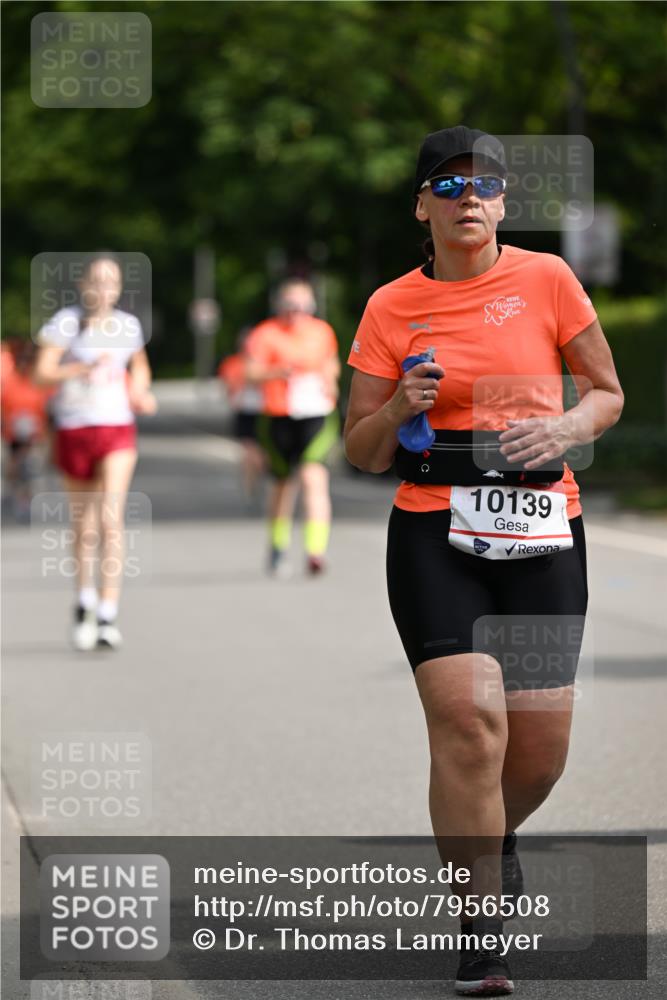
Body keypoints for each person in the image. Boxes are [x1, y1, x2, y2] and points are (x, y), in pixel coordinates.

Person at [344, 126, 624, 996]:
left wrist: (570, 427)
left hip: (541, 525)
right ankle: (479, 925)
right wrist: (396, 409)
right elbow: (358, 448)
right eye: (450, 184)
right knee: (469, 727)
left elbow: (606, 393)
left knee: (536, 754)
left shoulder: (546, 279)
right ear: (421, 205)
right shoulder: (390, 305)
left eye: (487, 186)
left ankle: (490, 839)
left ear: (503, 202)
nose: (471, 198)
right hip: (434, 525)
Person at [34, 253, 157, 651]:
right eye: (97, 281)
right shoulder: (66, 323)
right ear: (83, 285)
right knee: (84, 527)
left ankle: (108, 613)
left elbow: (140, 366)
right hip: (74, 427)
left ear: (119, 288)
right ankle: (84, 601)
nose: (104, 288)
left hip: (116, 427)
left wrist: (139, 388)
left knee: (110, 518)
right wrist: (80, 368)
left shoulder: (128, 326)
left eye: (112, 281)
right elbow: (40, 374)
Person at [245, 278, 340, 577]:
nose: (296, 312)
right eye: (290, 306)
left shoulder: (322, 331)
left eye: (302, 306)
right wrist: (276, 371)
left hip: (316, 414)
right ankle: (277, 545)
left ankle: (316, 551)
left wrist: (330, 379)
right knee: (283, 484)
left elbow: (331, 362)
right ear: (280, 306)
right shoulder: (265, 333)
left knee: (313, 477)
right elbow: (249, 372)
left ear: (311, 307)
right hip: (278, 417)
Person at [1, 340, 53, 520]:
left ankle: (29, 502)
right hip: (13, 436)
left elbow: (50, 410)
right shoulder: (9, 382)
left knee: (32, 469)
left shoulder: (39, 383)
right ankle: (14, 496)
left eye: (27, 361)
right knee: (14, 470)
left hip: (36, 436)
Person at [217, 328, 266, 506]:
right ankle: (249, 485)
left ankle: (255, 479)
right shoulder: (233, 363)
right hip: (244, 410)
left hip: (265, 410)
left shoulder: (266, 360)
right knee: (249, 450)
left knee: (259, 452)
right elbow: (229, 387)